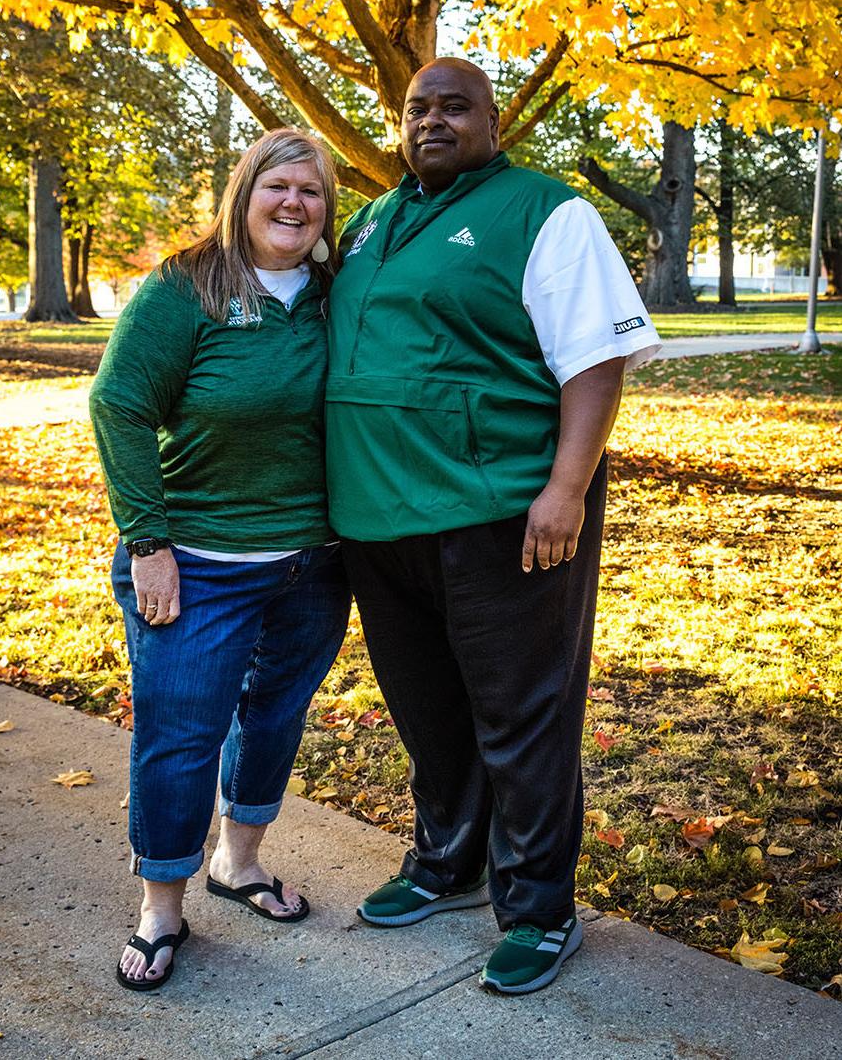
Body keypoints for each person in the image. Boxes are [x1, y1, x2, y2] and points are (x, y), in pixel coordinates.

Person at [325, 59, 660, 995]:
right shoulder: (372, 224)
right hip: (377, 516)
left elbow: (595, 360)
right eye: (416, 107)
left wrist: (568, 486)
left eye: (454, 106)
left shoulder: (544, 212)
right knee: (428, 708)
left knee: (523, 714)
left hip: (503, 514)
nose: (432, 120)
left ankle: (541, 908)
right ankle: (446, 862)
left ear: (493, 118)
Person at [89, 128, 350, 992]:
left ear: (327, 209)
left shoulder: (333, 294)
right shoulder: (186, 287)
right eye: (278, 185)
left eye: (311, 191)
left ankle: (239, 863)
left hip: (311, 565)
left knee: (273, 716)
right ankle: (161, 905)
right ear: (244, 191)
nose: (293, 204)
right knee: (181, 736)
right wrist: (149, 542)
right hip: (195, 564)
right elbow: (120, 404)